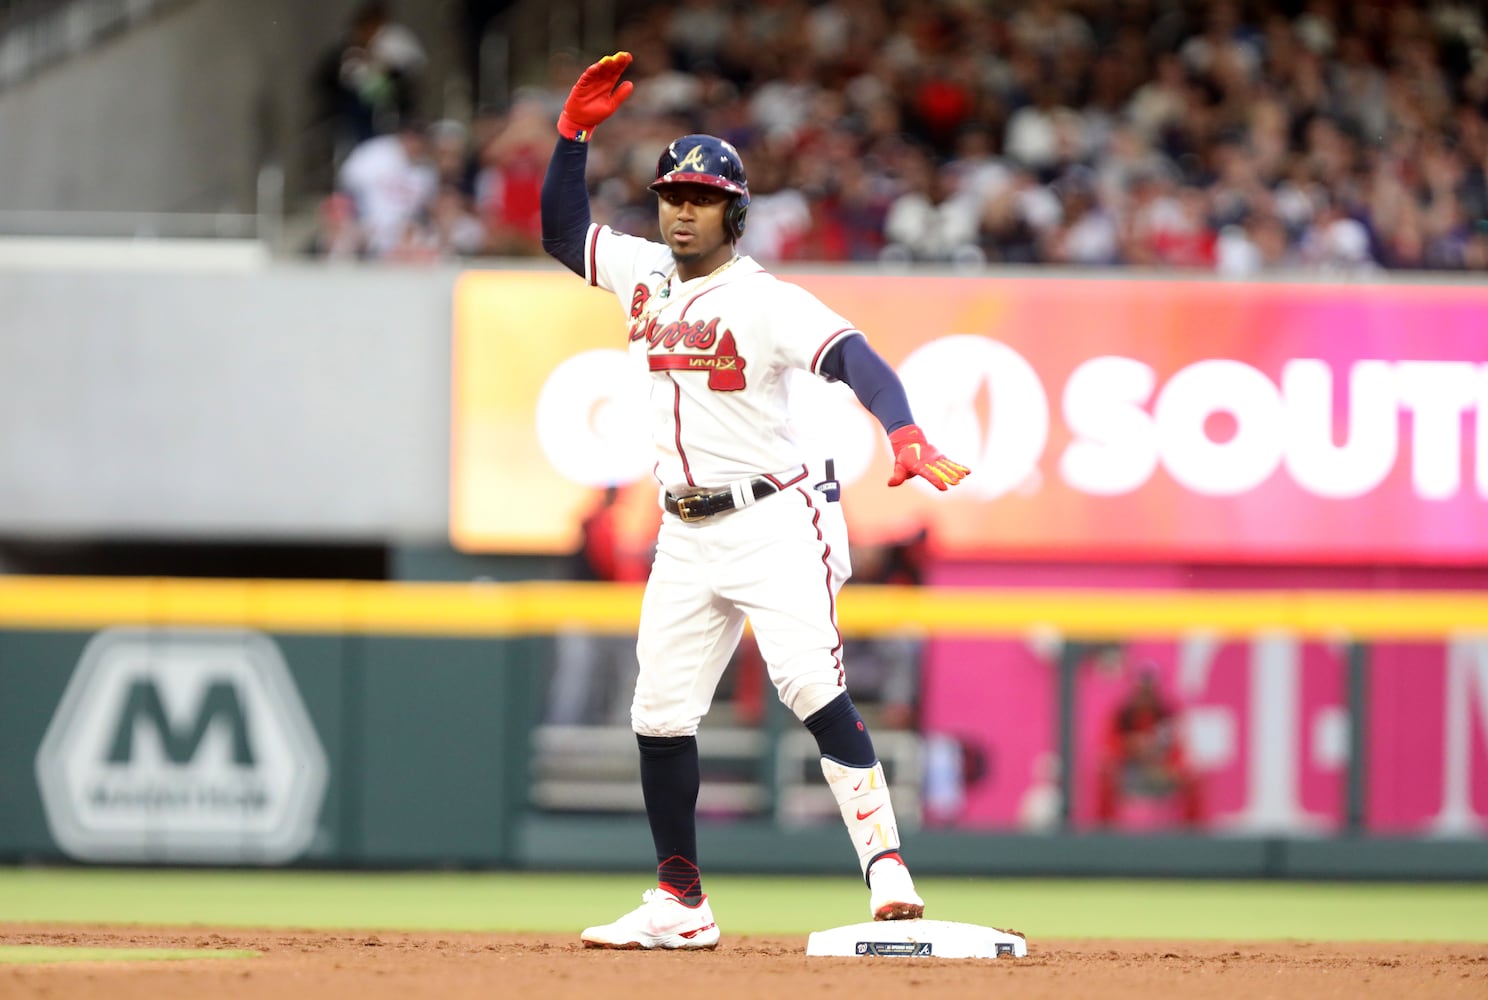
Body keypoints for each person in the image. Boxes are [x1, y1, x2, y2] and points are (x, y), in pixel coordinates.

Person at [540, 52, 972, 951]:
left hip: (775, 514)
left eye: (700, 197)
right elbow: (560, 231)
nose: (682, 209)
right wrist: (573, 138)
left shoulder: (763, 298)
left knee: (812, 683)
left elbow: (857, 357)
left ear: (734, 212)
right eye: (671, 195)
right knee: (658, 714)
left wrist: (903, 431)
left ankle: (886, 866)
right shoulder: (643, 273)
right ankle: (680, 902)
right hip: (684, 526)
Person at [1095, 668, 1205, 828]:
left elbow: (1178, 750)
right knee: (1104, 773)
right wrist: (1132, 746)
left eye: (1149, 691)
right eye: (1141, 691)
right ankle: (1105, 831)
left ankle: (1193, 833)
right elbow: (1108, 748)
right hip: (1129, 772)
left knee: (1193, 777)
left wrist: (1171, 768)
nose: (1145, 697)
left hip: (1160, 772)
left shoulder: (1168, 715)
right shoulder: (1122, 716)